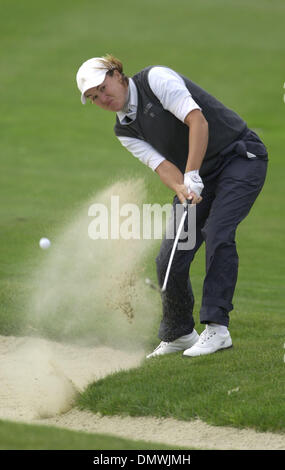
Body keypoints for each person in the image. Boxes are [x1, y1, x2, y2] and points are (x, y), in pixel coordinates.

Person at [76, 55, 268, 358]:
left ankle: (217, 329)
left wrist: (192, 172)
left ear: (116, 74)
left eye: (102, 87)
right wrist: (182, 186)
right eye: (93, 97)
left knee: (218, 232)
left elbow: (197, 120)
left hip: (240, 158)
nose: (102, 98)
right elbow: (162, 165)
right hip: (197, 176)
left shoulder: (156, 79)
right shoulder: (124, 130)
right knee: (169, 257)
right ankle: (179, 332)